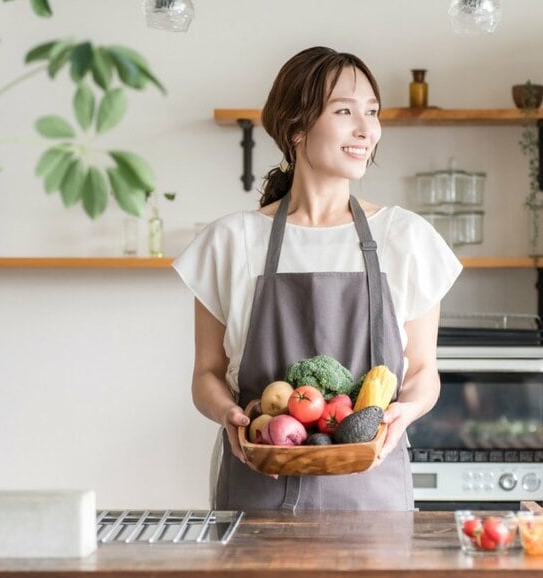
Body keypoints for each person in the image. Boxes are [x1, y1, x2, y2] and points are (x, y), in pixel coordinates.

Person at [173, 46, 462, 510]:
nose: (367, 129)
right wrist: (226, 413)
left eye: (372, 112)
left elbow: (425, 371)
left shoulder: (406, 238)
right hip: (257, 486)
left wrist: (405, 412)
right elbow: (205, 373)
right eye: (345, 111)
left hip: (372, 489)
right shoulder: (231, 241)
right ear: (297, 127)